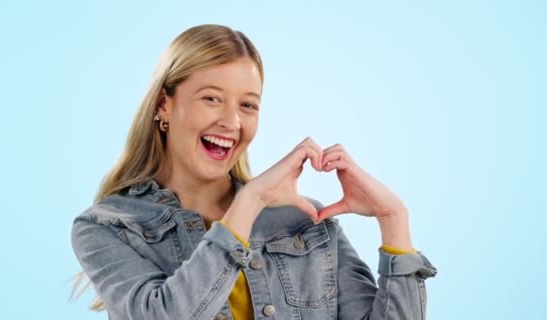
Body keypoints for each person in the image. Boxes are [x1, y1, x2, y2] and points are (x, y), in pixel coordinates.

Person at [70, 24, 437, 320]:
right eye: (211, 98)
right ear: (164, 104)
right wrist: (248, 202)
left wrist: (394, 221)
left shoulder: (304, 220)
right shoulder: (108, 227)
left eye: (248, 105)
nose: (231, 121)